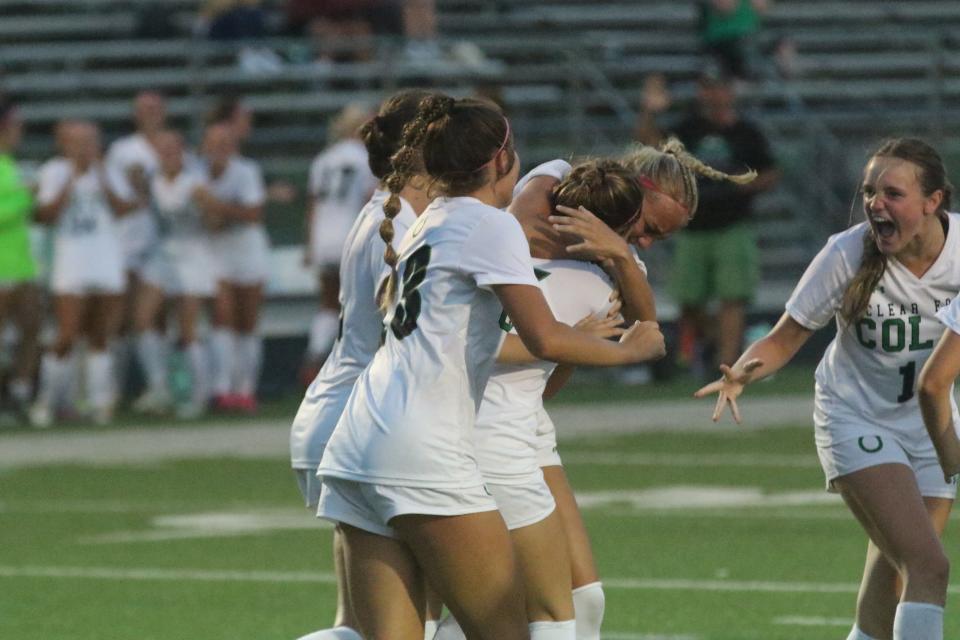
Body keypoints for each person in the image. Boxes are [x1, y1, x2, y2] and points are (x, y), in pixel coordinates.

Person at [314, 95, 665, 640]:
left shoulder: (429, 216)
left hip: (356, 444)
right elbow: (545, 337)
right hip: (422, 450)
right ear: (501, 163)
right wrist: (631, 350)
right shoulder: (489, 225)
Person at [435, 143, 755, 640]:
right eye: (648, 228)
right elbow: (511, 258)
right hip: (479, 424)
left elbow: (639, 329)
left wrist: (617, 256)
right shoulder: (540, 201)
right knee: (515, 613)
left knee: (579, 602)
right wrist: (573, 334)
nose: (646, 243)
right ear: (633, 196)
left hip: (524, 422)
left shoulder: (610, 267)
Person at [696, 138, 958, 640]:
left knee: (885, 603)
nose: (876, 204)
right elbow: (786, 336)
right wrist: (743, 373)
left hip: (930, 422)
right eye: (869, 192)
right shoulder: (846, 252)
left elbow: (937, 384)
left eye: (892, 193)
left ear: (934, 201)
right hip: (855, 416)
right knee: (929, 567)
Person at [290, 88, 435, 640]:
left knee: (361, 625)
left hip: (343, 414)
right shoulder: (397, 226)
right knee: (405, 625)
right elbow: (407, 335)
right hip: (364, 420)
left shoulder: (388, 212)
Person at [636, 67, 779, 376]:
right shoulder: (689, 130)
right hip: (694, 224)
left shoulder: (746, 132)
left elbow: (770, 170)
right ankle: (715, 341)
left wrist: (743, 185)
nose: (715, 94)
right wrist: (649, 111)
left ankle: (725, 363)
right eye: (708, 87)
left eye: (719, 87)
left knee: (732, 297)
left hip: (733, 223)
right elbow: (651, 147)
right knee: (689, 300)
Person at [31, 121, 137, 427]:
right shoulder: (53, 171)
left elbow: (123, 208)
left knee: (101, 335)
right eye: (78, 143)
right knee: (66, 333)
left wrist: (101, 177)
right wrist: (70, 181)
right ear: (64, 144)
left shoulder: (109, 171)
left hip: (105, 259)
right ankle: (48, 399)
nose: (85, 149)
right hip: (71, 261)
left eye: (90, 142)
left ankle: (98, 401)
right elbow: (45, 215)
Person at [132, 130, 217, 419]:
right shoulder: (152, 182)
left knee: (188, 329)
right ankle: (159, 387)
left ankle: (199, 395)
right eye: (162, 151)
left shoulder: (195, 183)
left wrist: (206, 207)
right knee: (144, 318)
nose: (167, 156)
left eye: (173, 151)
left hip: (193, 255)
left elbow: (215, 221)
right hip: (163, 255)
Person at [300, 103, 378, 382]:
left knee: (328, 304)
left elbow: (312, 206)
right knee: (360, 302)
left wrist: (309, 246)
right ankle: (348, 364)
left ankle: (315, 354)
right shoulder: (366, 158)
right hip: (350, 234)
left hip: (324, 238)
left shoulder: (323, 159)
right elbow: (370, 201)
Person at [196, 122, 268, 413]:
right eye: (214, 144)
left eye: (225, 144)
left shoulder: (246, 171)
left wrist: (215, 207)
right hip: (216, 252)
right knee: (222, 316)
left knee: (247, 322)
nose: (219, 150)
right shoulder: (196, 172)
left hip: (248, 250)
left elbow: (252, 214)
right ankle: (222, 388)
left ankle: (246, 389)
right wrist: (222, 212)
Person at [106, 90, 166, 400]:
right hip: (127, 240)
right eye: (144, 108)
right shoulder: (122, 149)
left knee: (151, 316)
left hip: (163, 243)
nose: (150, 114)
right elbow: (120, 195)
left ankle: (159, 386)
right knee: (118, 319)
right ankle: (112, 388)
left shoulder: (171, 145)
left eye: (155, 107)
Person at [0, 97, 42, 422]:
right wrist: (25, 197)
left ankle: (18, 392)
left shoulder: (12, 165)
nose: (19, 132)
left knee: (31, 329)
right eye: (15, 126)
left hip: (21, 264)